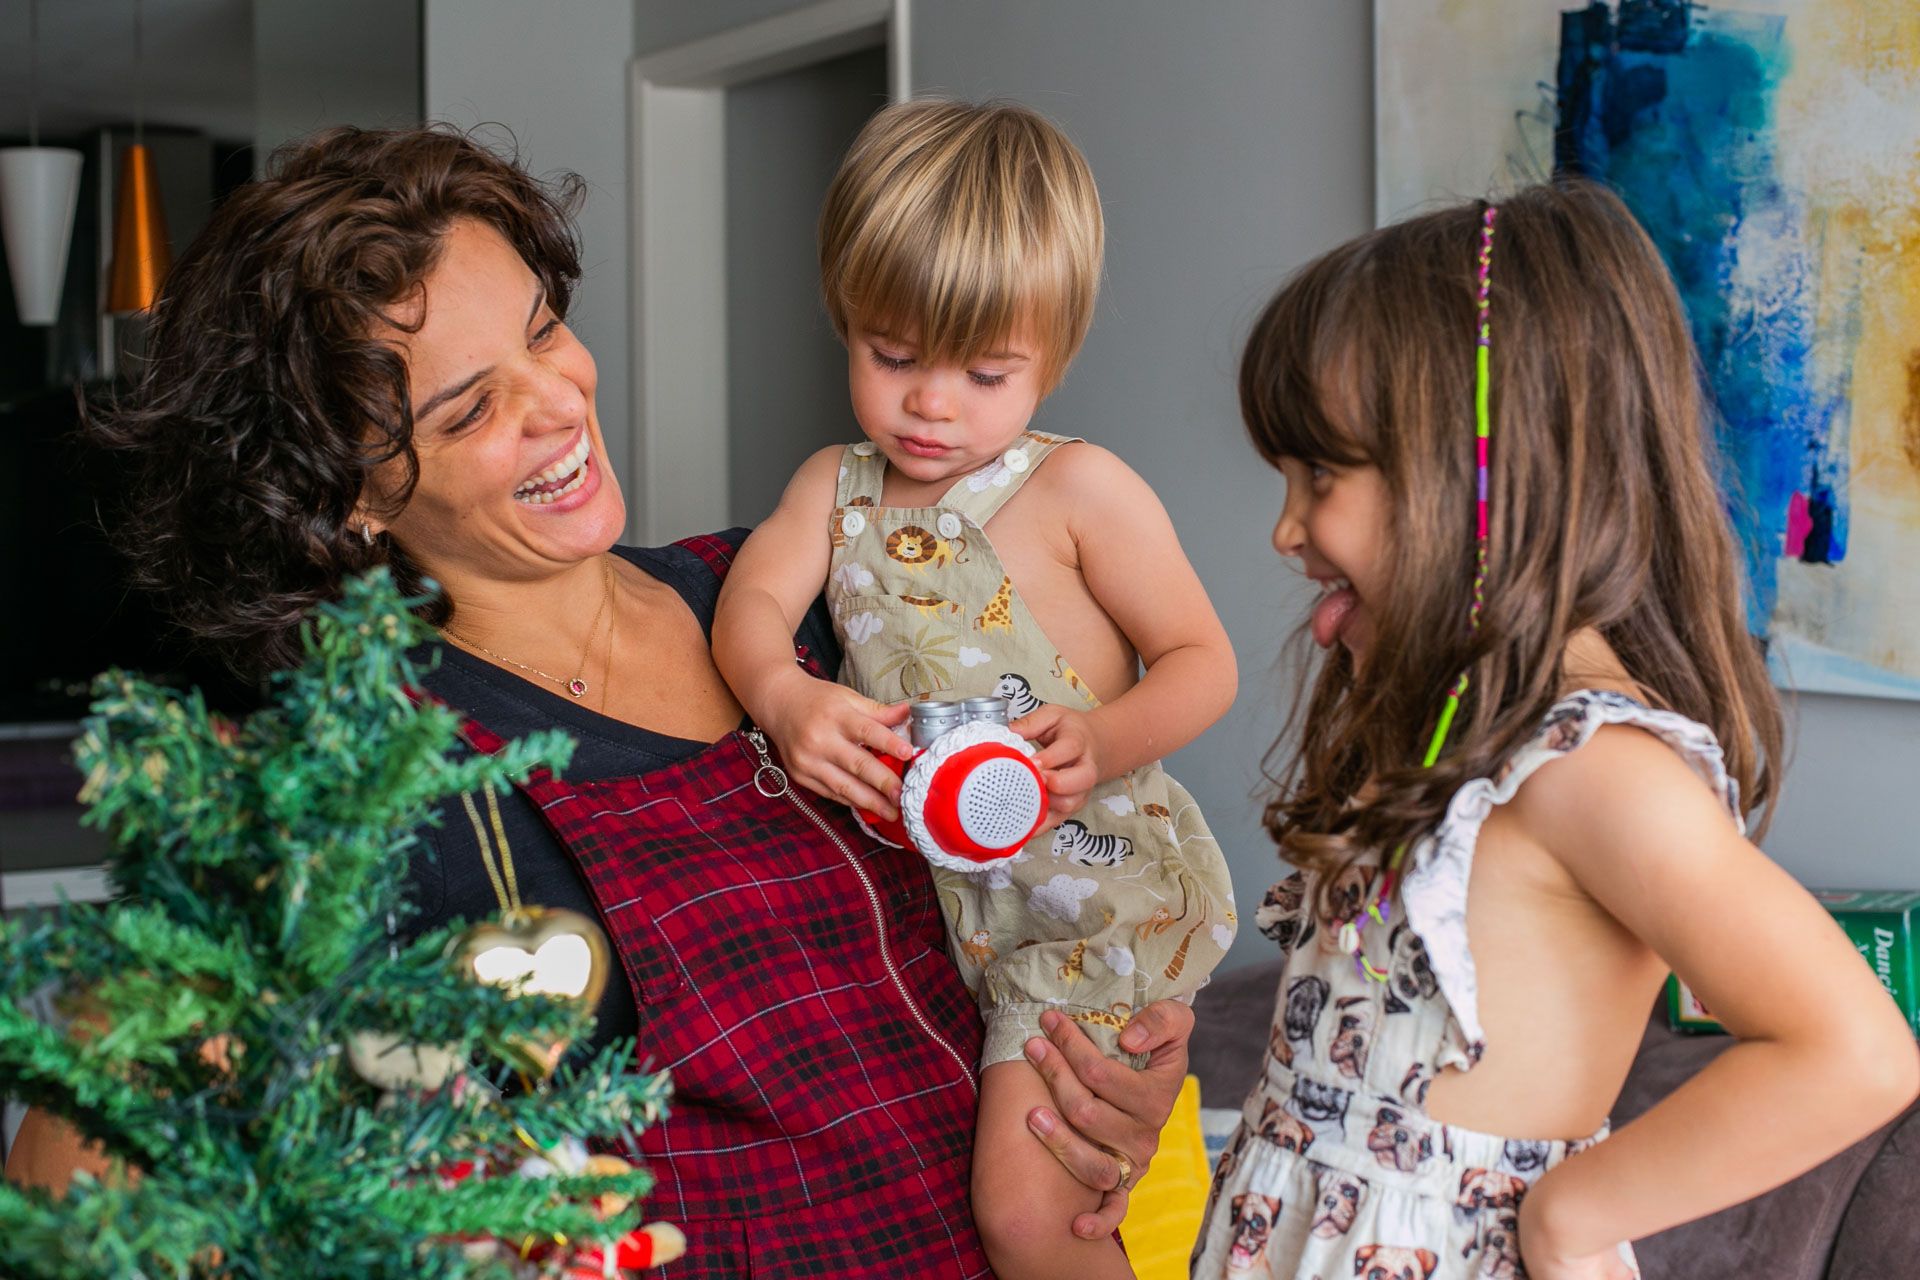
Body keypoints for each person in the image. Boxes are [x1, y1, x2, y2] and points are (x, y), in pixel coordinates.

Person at [4, 124, 1198, 1278]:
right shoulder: (355, 777)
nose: (559, 402)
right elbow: (73, 1197)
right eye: (467, 408)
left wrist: (1106, 1073)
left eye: (546, 331)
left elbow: (1061, 868)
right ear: (345, 492)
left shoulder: (815, 590)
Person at [1191, 183, 1920, 1280]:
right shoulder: (1466, 724)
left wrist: (1573, 1216)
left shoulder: (1590, 768)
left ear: (1483, 471)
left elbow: (1857, 1050)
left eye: (1322, 475)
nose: (1288, 527)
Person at [712, 99, 1238, 1280]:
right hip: (947, 913)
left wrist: (1102, 738)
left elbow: (1205, 661)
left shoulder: (1082, 490)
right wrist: (784, 699)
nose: (932, 403)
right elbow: (748, 610)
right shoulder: (830, 490)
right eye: (893, 356)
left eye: (986, 371)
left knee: (1024, 1210)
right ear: (846, 320)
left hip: (1090, 899)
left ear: (1053, 354)